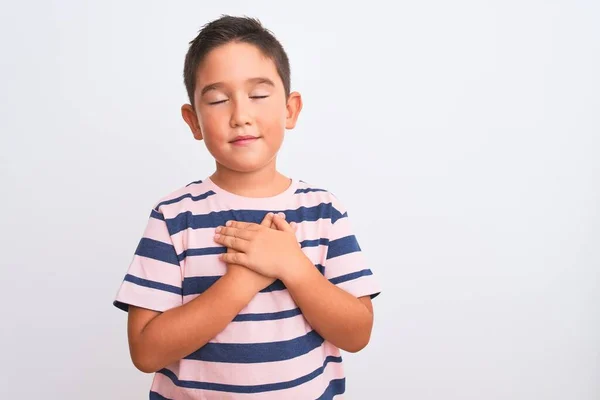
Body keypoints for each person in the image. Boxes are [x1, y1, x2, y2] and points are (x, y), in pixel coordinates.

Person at [113, 14, 381, 399]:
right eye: (219, 100)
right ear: (194, 121)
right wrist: (242, 282)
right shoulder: (173, 216)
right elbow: (145, 350)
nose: (240, 116)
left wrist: (292, 266)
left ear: (290, 109)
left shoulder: (324, 211)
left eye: (258, 95)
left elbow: (357, 334)